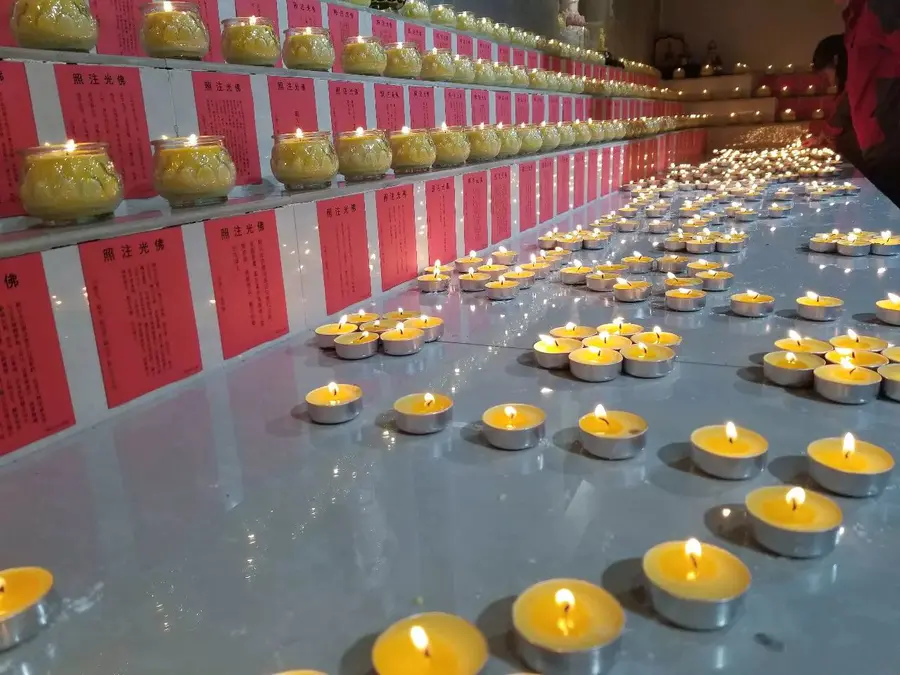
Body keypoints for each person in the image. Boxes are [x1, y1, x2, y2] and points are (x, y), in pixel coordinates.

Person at [841, 0, 900, 206]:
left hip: (890, 140)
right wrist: (831, 128)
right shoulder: (856, 15)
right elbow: (856, 84)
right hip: (876, 140)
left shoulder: (882, 6)